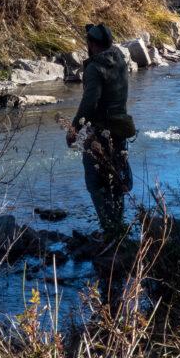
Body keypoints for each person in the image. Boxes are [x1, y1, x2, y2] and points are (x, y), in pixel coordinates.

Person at [67, 23, 136, 239]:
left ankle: (109, 229)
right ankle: (118, 226)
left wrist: (74, 129)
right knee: (116, 177)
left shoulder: (94, 69)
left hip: (100, 132)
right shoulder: (119, 58)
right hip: (120, 130)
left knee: (95, 181)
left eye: (88, 41)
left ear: (93, 44)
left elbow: (89, 104)